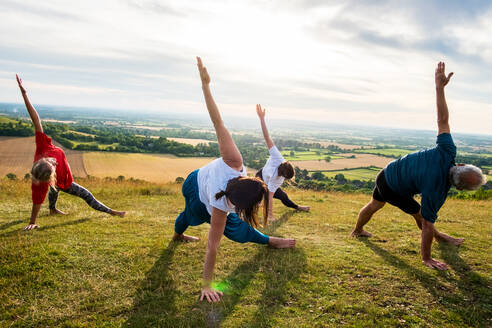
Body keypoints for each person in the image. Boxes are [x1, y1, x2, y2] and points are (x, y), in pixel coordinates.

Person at [173, 58, 296, 303]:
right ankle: (177, 235)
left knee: (240, 232)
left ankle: (271, 241)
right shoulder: (223, 198)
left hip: (211, 192)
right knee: (191, 216)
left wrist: (205, 85)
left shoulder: (233, 166)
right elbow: (212, 247)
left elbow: (218, 121)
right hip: (195, 185)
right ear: (239, 206)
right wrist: (207, 285)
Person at [351, 62, 486, 270]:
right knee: (421, 216)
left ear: (460, 164)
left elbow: (442, 119)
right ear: (459, 189)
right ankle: (437, 239)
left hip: (387, 171)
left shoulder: (447, 151)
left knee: (375, 205)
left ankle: (358, 230)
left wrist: (439, 88)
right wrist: (427, 259)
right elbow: (427, 225)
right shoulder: (437, 191)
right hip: (393, 186)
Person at [16, 75, 126, 231]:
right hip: (63, 183)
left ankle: (53, 209)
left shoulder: (42, 147)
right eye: (53, 166)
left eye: (51, 161)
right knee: (86, 195)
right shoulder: (41, 184)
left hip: (60, 182)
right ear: (50, 177)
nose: (55, 162)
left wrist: (24, 94)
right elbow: (36, 202)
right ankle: (112, 212)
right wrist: (32, 222)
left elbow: (36, 120)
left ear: (42, 161)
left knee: (56, 192)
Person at [255, 104, 310, 221]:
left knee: (283, 196)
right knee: (256, 197)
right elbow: (267, 137)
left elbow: (270, 195)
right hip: (260, 177)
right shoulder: (277, 157)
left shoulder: (278, 179)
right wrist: (262, 119)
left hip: (268, 181)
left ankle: (298, 207)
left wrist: (271, 214)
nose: (284, 180)